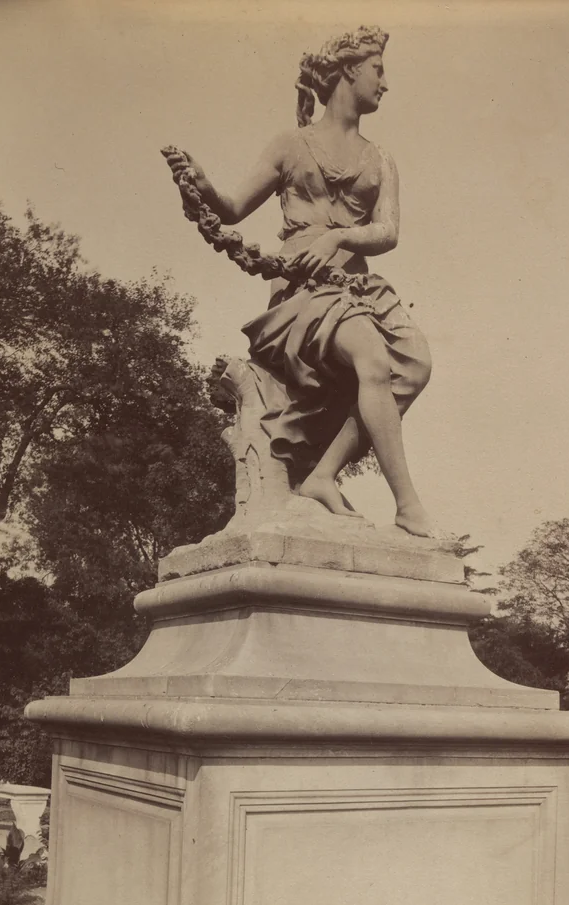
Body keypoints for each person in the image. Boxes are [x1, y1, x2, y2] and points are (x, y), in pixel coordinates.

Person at [167, 27, 435, 537]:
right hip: (303, 292)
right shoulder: (291, 144)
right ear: (350, 70)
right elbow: (232, 208)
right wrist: (201, 185)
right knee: (374, 360)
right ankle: (408, 505)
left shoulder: (381, 159)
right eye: (378, 70)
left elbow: (388, 231)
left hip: (358, 287)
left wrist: (340, 240)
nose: (385, 83)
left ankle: (323, 476)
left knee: (416, 365)